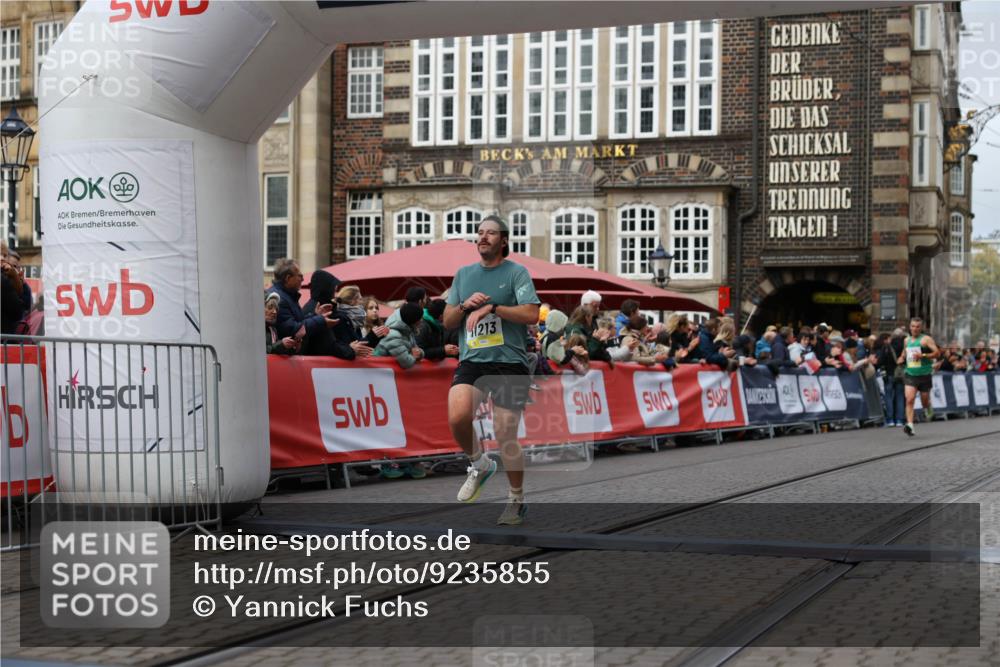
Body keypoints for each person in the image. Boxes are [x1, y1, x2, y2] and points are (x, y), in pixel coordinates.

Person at [442, 214, 540, 526]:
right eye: (480, 232)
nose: (483, 237)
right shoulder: (463, 274)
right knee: (457, 416)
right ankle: (480, 463)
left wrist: (493, 307)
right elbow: (447, 321)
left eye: (491, 233)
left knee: (505, 432)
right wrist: (465, 306)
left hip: (510, 363)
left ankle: (516, 498)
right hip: (472, 361)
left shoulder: (516, 273)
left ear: (504, 241)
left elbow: (531, 314)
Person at [302, 269, 373, 359]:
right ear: (326, 289)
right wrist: (349, 349)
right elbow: (327, 343)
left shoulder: (321, 306)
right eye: (333, 289)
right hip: (320, 365)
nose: (335, 294)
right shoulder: (317, 309)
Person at [267, 258, 338, 345]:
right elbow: (292, 329)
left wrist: (315, 315)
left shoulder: (288, 296)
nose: (303, 279)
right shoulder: (279, 299)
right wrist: (321, 321)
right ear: (288, 278)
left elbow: (297, 322)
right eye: (300, 276)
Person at [896, 317, 939, 436]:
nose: (915, 329)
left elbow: (937, 353)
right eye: (913, 326)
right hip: (910, 373)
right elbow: (904, 353)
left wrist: (923, 355)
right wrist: (901, 358)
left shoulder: (926, 339)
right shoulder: (906, 340)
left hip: (924, 374)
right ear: (910, 327)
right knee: (909, 399)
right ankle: (910, 425)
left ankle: (928, 406)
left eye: (917, 327)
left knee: (924, 401)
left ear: (921, 328)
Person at [373, 302, 425, 369]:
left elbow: (416, 349)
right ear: (413, 320)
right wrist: (414, 356)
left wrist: (419, 353)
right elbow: (406, 362)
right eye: (420, 318)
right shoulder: (393, 335)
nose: (422, 320)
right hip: (380, 372)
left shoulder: (408, 329)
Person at [1, 242, 27, 335]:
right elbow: (18, 312)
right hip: (5, 336)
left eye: (4, 255)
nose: (2, 258)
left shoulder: (7, 276)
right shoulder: (3, 280)